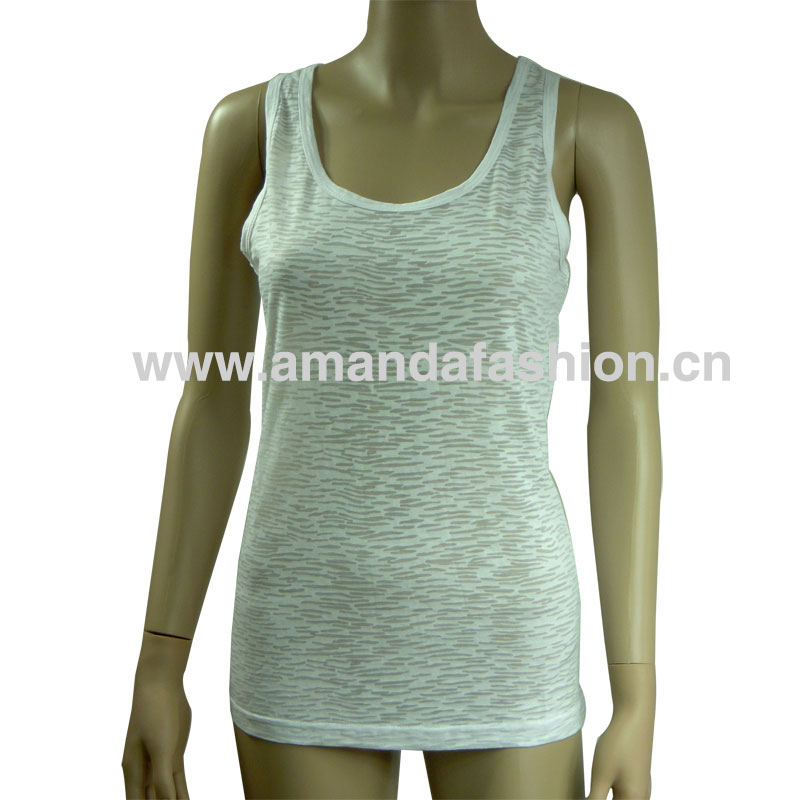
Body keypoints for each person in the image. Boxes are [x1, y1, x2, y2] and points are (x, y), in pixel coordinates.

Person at [122, 2, 661, 798]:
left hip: (502, 628)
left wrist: (636, 691)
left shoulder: (584, 125)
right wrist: (160, 663)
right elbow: (210, 400)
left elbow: (627, 408)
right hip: (302, 625)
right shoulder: (253, 129)